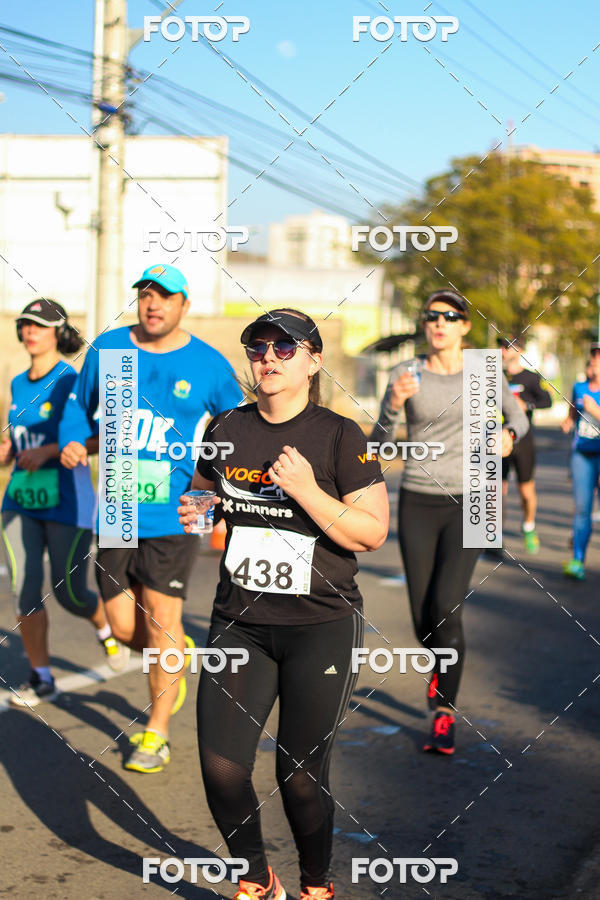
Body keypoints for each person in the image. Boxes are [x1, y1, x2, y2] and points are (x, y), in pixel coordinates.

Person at [178, 308, 389, 900]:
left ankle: (316, 883)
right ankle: (256, 877)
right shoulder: (227, 427)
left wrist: (305, 490)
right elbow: (203, 494)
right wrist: (199, 509)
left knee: (298, 775)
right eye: (258, 347)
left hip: (320, 626)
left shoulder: (341, 435)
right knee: (221, 768)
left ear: (313, 361)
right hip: (239, 623)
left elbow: (371, 532)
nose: (268, 357)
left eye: (285, 347)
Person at [59, 264, 243, 773]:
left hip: (180, 511)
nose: (153, 302)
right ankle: (174, 650)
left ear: (184, 305)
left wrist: (216, 502)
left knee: (162, 619)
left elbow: (238, 431)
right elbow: (78, 407)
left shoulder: (208, 364)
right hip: (117, 507)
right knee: (123, 626)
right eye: (145, 293)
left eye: (164, 295)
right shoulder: (110, 350)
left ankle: (156, 731)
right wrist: (73, 439)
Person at [370, 290, 528, 755]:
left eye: (450, 316)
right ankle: (440, 663)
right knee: (423, 619)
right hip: (418, 498)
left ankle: (444, 713)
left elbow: (518, 418)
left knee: (446, 606)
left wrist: (508, 434)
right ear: (425, 324)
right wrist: (393, 404)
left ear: (464, 326)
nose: (439, 322)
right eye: (432, 315)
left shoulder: (483, 370)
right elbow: (380, 443)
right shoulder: (406, 373)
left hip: (473, 497)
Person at [0, 299, 126, 708]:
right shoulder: (17, 383)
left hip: (68, 502)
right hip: (21, 499)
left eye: (40, 325)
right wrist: (9, 449)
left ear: (59, 332)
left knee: (70, 593)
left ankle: (104, 627)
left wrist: (49, 451)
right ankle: (41, 678)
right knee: (24, 589)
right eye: (25, 324)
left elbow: (99, 437)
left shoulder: (70, 380)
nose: (30, 331)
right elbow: (21, 437)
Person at [498, 336, 551, 555]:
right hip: (499, 440)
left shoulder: (531, 377)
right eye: (501, 346)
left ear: (519, 350)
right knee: (497, 490)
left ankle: (529, 526)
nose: (503, 350)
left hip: (523, 441)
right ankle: (496, 536)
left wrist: (526, 405)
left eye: (508, 346)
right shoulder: (495, 376)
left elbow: (547, 401)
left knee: (526, 491)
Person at [561, 344, 600, 580]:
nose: (595, 359)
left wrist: (596, 411)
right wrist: (567, 423)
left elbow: (592, 412)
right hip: (582, 454)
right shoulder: (579, 387)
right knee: (582, 508)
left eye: (599, 356)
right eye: (593, 355)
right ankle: (578, 560)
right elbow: (572, 415)